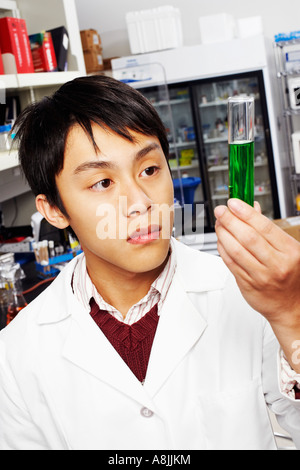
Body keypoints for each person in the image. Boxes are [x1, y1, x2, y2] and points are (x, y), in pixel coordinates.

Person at [0, 75, 299, 451]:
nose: (140, 202)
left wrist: (291, 314)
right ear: (55, 210)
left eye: (149, 170)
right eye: (103, 183)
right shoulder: (15, 355)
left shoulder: (251, 295)